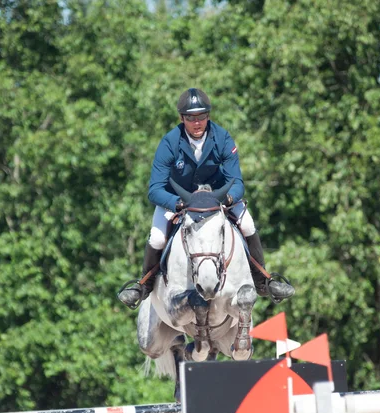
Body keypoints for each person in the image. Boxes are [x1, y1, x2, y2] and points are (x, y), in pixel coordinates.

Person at [118, 88, 295, 309]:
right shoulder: (170, 142)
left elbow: (237, 181)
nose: (197, 123)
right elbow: (154, 189)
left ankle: (263, 282)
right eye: (191, 118)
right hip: (178, 200)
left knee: (248, 224)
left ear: (208, 116)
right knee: (157, 239)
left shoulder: (222, 137)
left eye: (201, 116)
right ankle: (143, 286)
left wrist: (228, 199)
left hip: (218, 198)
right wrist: (178, 204)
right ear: (182, 118)